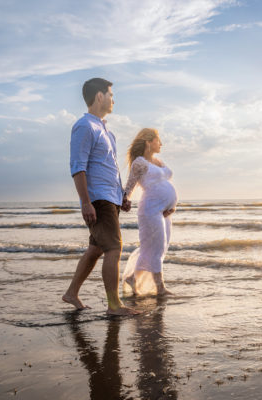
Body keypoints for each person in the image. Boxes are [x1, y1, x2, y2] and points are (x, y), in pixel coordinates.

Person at [62, 78, 139, 316]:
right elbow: (78, 167)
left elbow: (108, 168)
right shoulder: (85, 126)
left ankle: (71, 293)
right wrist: (86, 202)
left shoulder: (106, 130)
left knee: (96, 249)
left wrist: (121, 197)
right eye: (111, 95)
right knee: (114, 249)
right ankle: (114, 305)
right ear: (99, 97)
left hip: (110, 198)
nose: (113, 99)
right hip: (98, 199)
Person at [122, 128, 177, 296]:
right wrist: (124, 200)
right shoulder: (139, 162)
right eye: (158, 140)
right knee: (156, 246)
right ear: (148, 142)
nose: (161, 144)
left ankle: (132, 278)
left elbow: (165, 185)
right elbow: (130, 187)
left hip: (164, 212)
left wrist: (172, 205)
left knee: (162, 245)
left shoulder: (158, 161)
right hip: (150, 210)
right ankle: (160, 288)